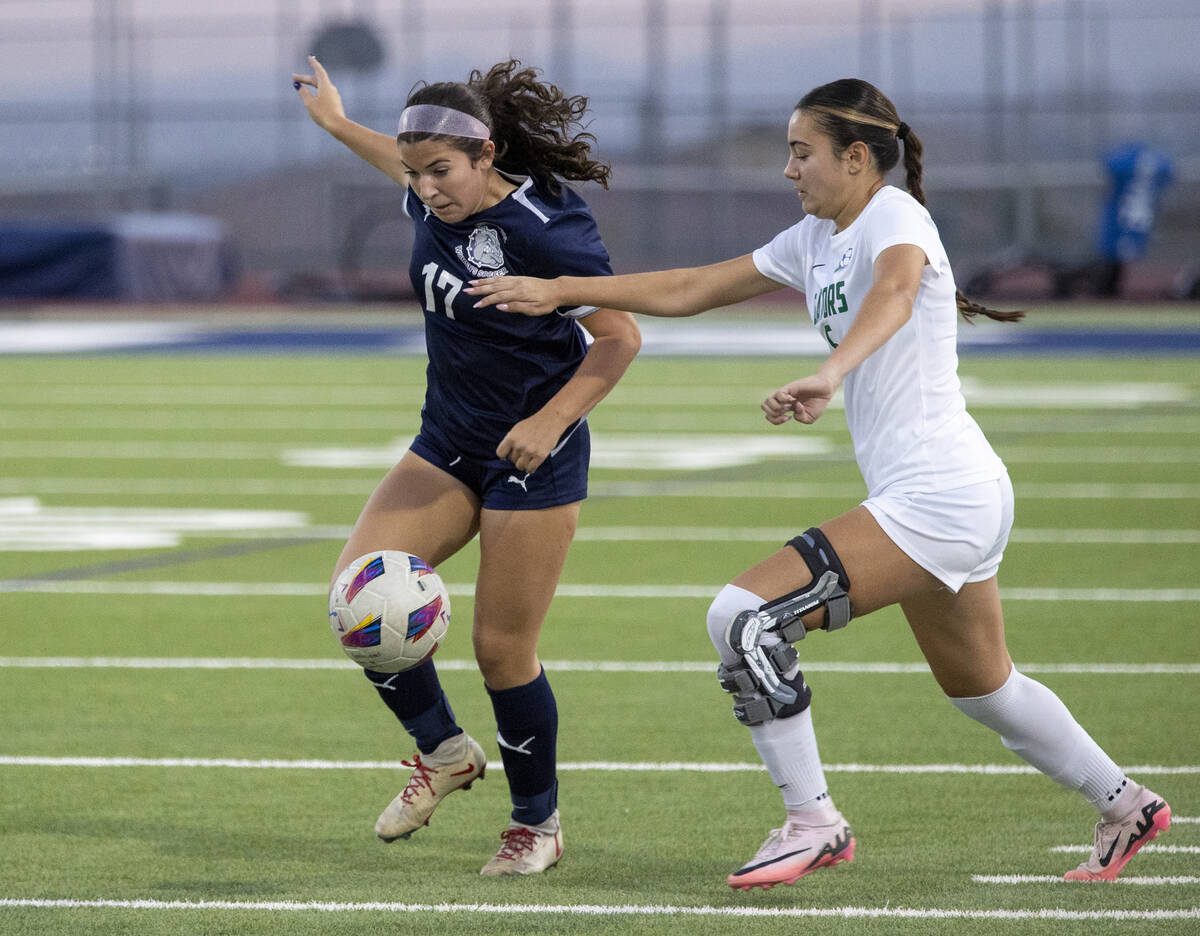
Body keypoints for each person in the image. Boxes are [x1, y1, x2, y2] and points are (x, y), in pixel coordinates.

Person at [466, 78, 1171, 889]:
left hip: (939, 495)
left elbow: (897, 294)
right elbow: (694, 287)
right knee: (985, 688)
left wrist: (830, 372)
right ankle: (1127, 805)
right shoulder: (814, 236)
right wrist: (565, 291)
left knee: (743, 619)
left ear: (858, 158)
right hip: (954, 493)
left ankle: (814, 823)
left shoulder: (895, 217)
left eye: (803, 153)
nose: (790, 170)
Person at [293, 56, 641, 876]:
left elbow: (621, 336)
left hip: (534, 454)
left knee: (501, 651)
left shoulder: (547, 228)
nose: (424, 189)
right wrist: (340, 124)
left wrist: (552, 420)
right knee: (357, 600)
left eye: (440, 171)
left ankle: (536, 825)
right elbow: (399, 158)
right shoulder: (425, 184)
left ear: (486, 157)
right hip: (447, 440)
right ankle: (444, 752)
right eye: (414, 174)